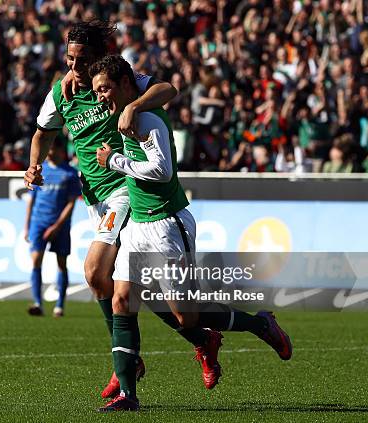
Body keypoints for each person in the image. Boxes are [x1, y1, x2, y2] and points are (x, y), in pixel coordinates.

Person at [23, 20, 222, 399]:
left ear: (100, 57)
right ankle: (199, 340)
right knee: (112, 287)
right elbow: (42, 134)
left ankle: (127, 364)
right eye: (70, 59)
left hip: (124, 189)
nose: (75, 67)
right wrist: (35, 164)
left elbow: (169, 89)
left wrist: (132, 105)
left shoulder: (114, 81)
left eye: (82, 60)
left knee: (95, 271)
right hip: (93, 198)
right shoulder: (61, 94)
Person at [92, 55, 293, 412]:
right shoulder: (133, 103)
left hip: (168, 225)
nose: (100, 98)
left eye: (104, 89)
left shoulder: (147, 117)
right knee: (121, 298)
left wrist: (114, 161)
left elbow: (162, 171)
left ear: (125, 84)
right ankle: (128, 394)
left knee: (187, 316)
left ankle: (259, 324)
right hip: (139, 222)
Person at [24, 138, 80, 317]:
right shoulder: (41, 170)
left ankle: (59, 306)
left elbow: (71, 203)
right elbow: (31, 199)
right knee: (35, 260)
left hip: (60, 226)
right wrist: (27, 226)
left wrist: (57, 226)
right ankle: (38, 303)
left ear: (59, 151)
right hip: (39, 222)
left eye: (51, 149)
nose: (48, 153)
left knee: (61, 264)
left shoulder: (70, 173)